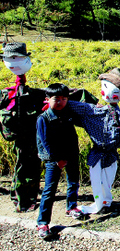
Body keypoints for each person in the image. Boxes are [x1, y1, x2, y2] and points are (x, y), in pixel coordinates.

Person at [68, 67, 120, 214]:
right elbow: (71, 104)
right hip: (98, 153)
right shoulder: (93, 111)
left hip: (111, 153)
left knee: (107, 180)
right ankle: (100, 202)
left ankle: (106, 202)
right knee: (97, 181)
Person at [0, 43, 45, 212]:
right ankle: (24, 201)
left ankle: (19, 195)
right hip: (25, 135)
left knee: (24, 163)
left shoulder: (10, 93)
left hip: (20, 134)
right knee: (26, 165)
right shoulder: (13, 94)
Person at [36, 83, 85, 239]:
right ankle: (42, 223)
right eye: (56, 99)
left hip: (71, 154)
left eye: (64, 99)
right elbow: (46, 142)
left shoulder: (68, 113)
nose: (60, 102)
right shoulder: (44, 118)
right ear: (47, 99)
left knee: (73, 181)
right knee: (49, 190)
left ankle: (71, 207)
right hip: (53, 158)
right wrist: (57, 159)